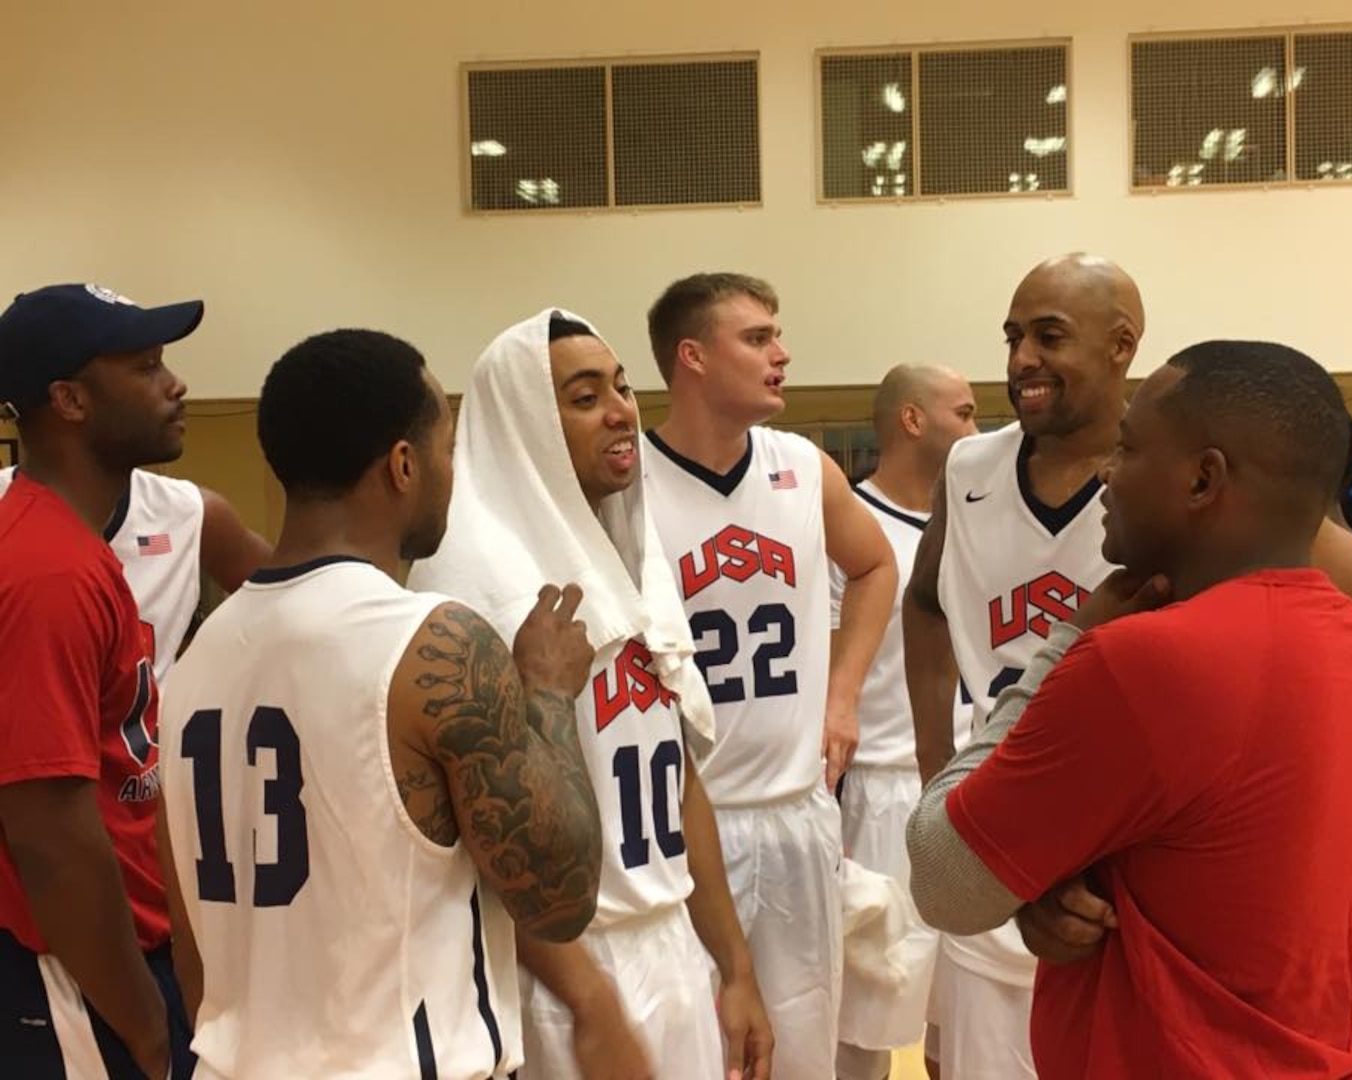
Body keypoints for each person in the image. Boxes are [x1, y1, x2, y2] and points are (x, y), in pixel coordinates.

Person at [908, 340, 1352, 1076]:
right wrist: (1050, 878)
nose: (1108, 474)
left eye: (1129, 449)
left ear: (1204, 478)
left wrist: (1066, 642)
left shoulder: (1142, 662)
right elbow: (1208, 860)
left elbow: (944, 880)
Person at [158, 329, 605, 1078]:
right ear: (403, 465)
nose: (450, 473)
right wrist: (550, 695)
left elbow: (190, 941)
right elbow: (560, 900)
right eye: (446, 449)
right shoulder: (435, 644)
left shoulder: (193, 661)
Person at [410, 310, 772, 1080]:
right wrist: (588, 1002)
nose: (621, 412)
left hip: (672, 942)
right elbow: (487, 836)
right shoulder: (469, 587)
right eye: (582, 397)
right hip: (562, 975)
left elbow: (680, 783)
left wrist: (735, 969)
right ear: (524, 424)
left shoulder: (632, 563)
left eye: (622, 387)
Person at [641, 273, 897, 1080]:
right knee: (694, 1052)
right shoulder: (625, 487)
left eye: (776, 335)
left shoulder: (801, 466)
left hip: (794, 813)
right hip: (683, 825)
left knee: (800, 1050)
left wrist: (843, 697)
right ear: (692, 358)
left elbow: (876, 566)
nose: (781, 353)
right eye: (757, 338)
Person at [904, 253, 1142, 1079]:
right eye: (1012, 338)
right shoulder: (969, 467)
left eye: (1048, 337)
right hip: (992, 825)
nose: (1020, 362)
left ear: (1121, 345)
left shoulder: (1171, 471)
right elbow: (925, 604)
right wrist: (939, 768)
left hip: (1117, 872)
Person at [0, 283, 204, 1079]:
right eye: (148, 365)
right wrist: (147, 1025)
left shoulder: (69, 547)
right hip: (73, 976)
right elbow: (50, 835)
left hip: (114, 959)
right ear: (69, 399)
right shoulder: (44, 569)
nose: (176, 383)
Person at [829, 364, 977, 1080]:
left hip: (964, 792)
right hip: (874, 793)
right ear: (913, 420)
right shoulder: (846, 530)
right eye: (967, 412)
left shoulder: (977, 525)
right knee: (862, 1026)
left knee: (962, 1023)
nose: (978, 430)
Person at [0, 467, 272, 681]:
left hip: (150, 746)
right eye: (149, 389)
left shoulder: (190, 511)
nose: (177, 392)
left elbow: (292, 593)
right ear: (70, 399)